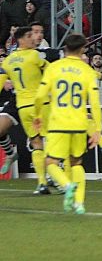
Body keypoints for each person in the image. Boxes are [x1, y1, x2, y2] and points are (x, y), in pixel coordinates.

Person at [33, 34, 102, 214]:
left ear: (65, 49)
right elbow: (94, 102)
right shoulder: (87, 70)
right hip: (79, 123)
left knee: (51, 162)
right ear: (81, 50)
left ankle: (67, 185)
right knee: (77, 163)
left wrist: (37, 115)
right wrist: (97, 129)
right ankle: (79, 203)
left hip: (58, 122)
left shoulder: (54, 67)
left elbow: (40, 96)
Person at [0, 27, 50, 193]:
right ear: (21, 39)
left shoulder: (9, 60)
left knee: (39, 142)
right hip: (31, 103)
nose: (35, 38)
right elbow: (52, 71)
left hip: (26, 104)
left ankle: (46, 180)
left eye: (37, 34)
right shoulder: (34, 55)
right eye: (31, 35)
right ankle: (49, 178)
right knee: (45, 141)